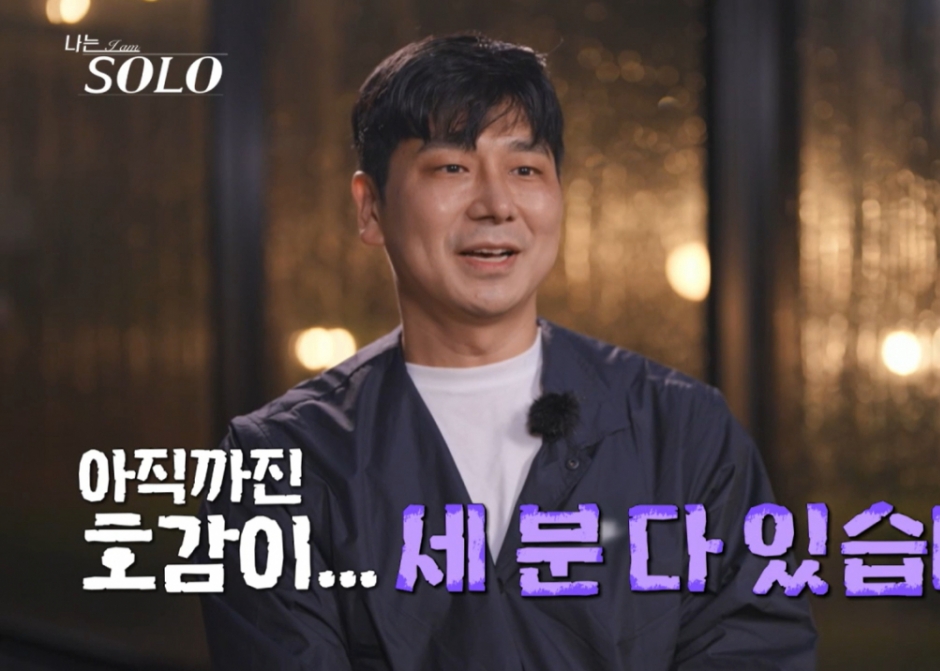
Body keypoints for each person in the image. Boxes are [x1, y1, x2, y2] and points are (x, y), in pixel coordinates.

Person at [199, 33, 818, 670]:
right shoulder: (280, 463)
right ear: (371, 207)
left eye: (525, 170)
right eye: (452, 168)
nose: (496, 205)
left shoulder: (683, 431)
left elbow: (756, 646)